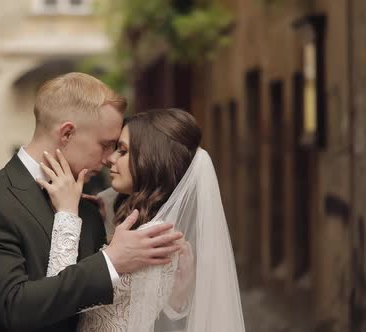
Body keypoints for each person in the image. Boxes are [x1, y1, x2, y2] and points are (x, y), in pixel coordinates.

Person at [0, 73, 184, 332]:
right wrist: (111, 261)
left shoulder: (90, 208)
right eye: (106, 145)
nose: (110, 158)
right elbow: (14, 307)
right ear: (66, 133)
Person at [39, 109, 245, 331]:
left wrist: (67, 213)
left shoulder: (154, 237)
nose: (110, 158)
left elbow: (58, 296)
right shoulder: (146, 224)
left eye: (123, 150)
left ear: (152, 158)